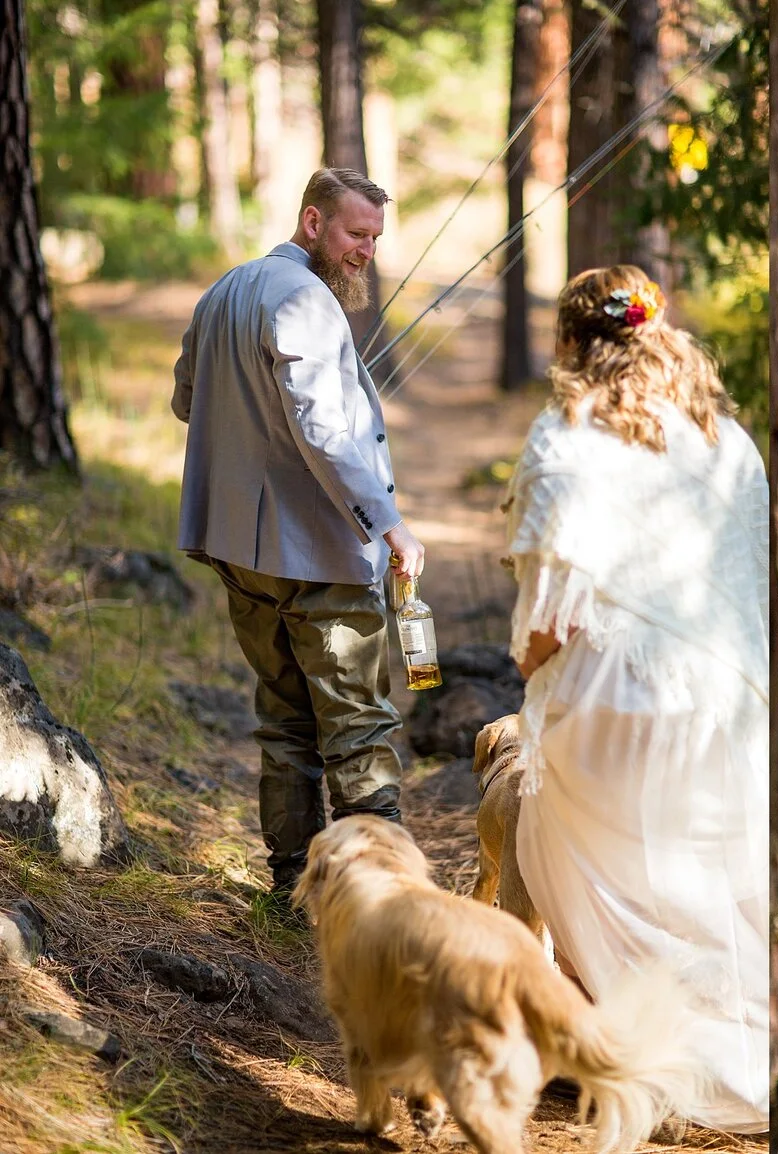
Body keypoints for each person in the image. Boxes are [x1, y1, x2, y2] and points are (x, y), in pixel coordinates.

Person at [500, 266, 767, 1133]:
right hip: (723, 699)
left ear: (571, 344)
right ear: (659, 333)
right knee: (707, 880)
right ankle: (743, 1068)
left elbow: (548, 610)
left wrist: (530, 669)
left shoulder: (564, 435)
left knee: (562, 855)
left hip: (611, 696)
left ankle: (639, 1057)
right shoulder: (726, 439)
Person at [173, 168, 422, 902]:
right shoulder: (307, 301)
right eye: (354, 233)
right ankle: (377, 901)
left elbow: (187, 396)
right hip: (320, 556)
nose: (365, 252)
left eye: (374, 238)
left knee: (284, 723)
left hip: (242, 557)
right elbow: (321, 429)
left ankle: (292, 891)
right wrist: (390, 524)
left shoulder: (224, 290)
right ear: (312, 223)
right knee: (358, 729)